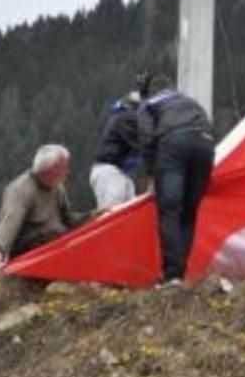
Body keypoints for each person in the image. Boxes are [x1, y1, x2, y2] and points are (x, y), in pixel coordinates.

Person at [138, 74, 214, 283]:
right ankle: (180, 273)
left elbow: (146, 139)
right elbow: (209, 125)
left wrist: (151, 176)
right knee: (189, 213)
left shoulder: (148, 104)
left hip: (173, 144)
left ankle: (172, 276)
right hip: (205, 144)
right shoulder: (190, 101)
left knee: (170, 210)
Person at [0, 144, 86, 272]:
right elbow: (10, 222)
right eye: (63, 167)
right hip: (34, 248)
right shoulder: (20, 190)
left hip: (58, 239)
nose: (67, 171)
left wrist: (95, 217)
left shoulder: (57, 187)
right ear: (49, 171)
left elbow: (67, 218)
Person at [89, 90, 141, 211]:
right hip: (109, 171)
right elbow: (142, 145)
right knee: (111, 213)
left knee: (128, 214)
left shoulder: (120, 117)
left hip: (120, 172)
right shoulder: (125, 118)